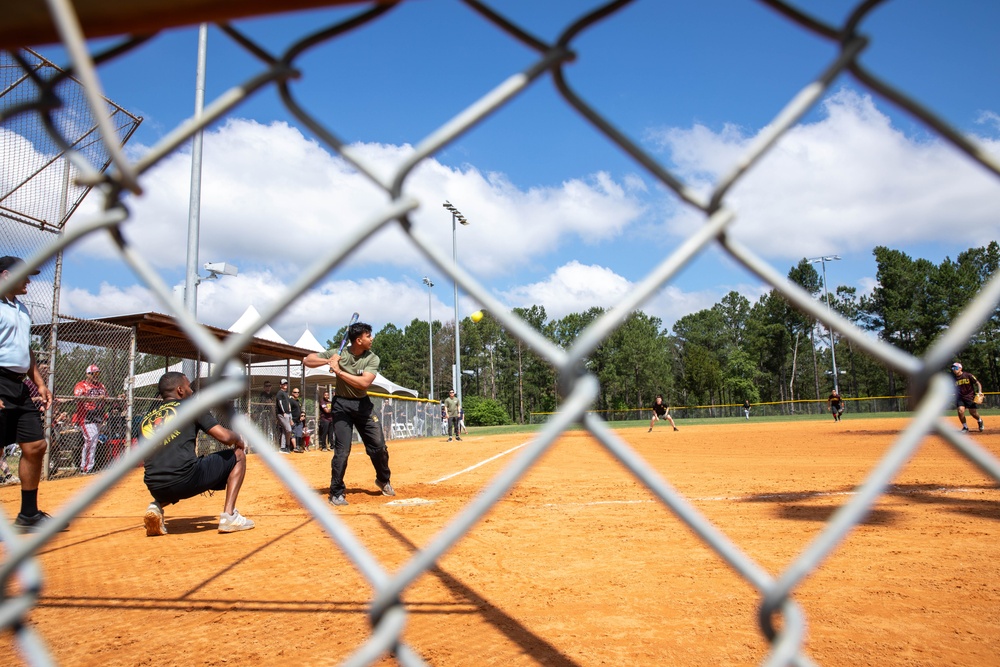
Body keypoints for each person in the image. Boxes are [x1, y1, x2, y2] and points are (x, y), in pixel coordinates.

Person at [141, 371, 255, 535]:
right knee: (238, 456)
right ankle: (229, 517)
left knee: (174, 473)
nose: (192, 392)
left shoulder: (148, 417)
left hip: (155, 485)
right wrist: (238, 438)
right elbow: (223, 437)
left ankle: (156, 506)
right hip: (185, 480)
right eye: (189, 387)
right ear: (180, 390)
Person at [304, 322, 393, 506]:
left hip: (363, 406)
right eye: (369, 336)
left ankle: (383, 480)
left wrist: (338, 371)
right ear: (358, 340)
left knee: (379, 448)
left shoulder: (372, 358)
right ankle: (336, 492)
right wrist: (328, 360)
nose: (372, 338)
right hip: (341, 405)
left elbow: (363, 383)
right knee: (342, 451)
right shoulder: (339, 353)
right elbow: (307, 360)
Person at [0, 256, 56, 532]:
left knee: (36, 445)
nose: (29, 281)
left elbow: (25, 349)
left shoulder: (20, 309)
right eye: (25, 275)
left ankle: (29, 514)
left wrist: (39, 383)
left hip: (18, 384)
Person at [73, 363, 108, 473]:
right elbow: (79, 398)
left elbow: (106, 398)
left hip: (98, 416)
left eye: (98, 373)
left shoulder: (101, 386)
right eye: (93, 374)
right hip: (86, 417)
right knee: (90, 440)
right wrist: (96, 398)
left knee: (93, 442)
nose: (96, 376)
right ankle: (86, 468)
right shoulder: (81, 385)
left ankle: (87, 467)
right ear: (88, 374)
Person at [951, 362, 985, 433]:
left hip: (970, 396)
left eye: (956, 368)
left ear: (960, 368)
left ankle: (979, 420)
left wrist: (979, 392)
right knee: (960, 411)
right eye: (953, 368)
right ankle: (965, 427)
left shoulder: (968, 375)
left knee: (973, 413)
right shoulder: (953, 379)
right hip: (960, 397)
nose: (954, 369)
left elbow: (978, 383)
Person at [275, 378, 294, 453]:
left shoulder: (286, 393)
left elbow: (288, 404)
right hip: (282, 414)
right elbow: (280, 403)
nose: (285, 385)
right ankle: (287, 446)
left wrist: (290, 414)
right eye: (283, 384)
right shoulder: (280, 393)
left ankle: (283, 448)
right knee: (288, 430)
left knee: (284, 430)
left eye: (286, 384)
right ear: (280, 385)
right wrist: (284, 412)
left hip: (288, 413)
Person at [289, 386, 305, 452]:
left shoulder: (298, 401)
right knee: (293, 434)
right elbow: (289, 411)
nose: (297, 393)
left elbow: (299, 410)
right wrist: (290, 420)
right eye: (295, 392)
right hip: (293, 420)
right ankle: (295, 447)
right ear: (292, 393)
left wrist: (302, 416)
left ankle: (298, 446)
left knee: (299, 434)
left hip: (299, 421)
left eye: (298, 392)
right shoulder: (290, 401)